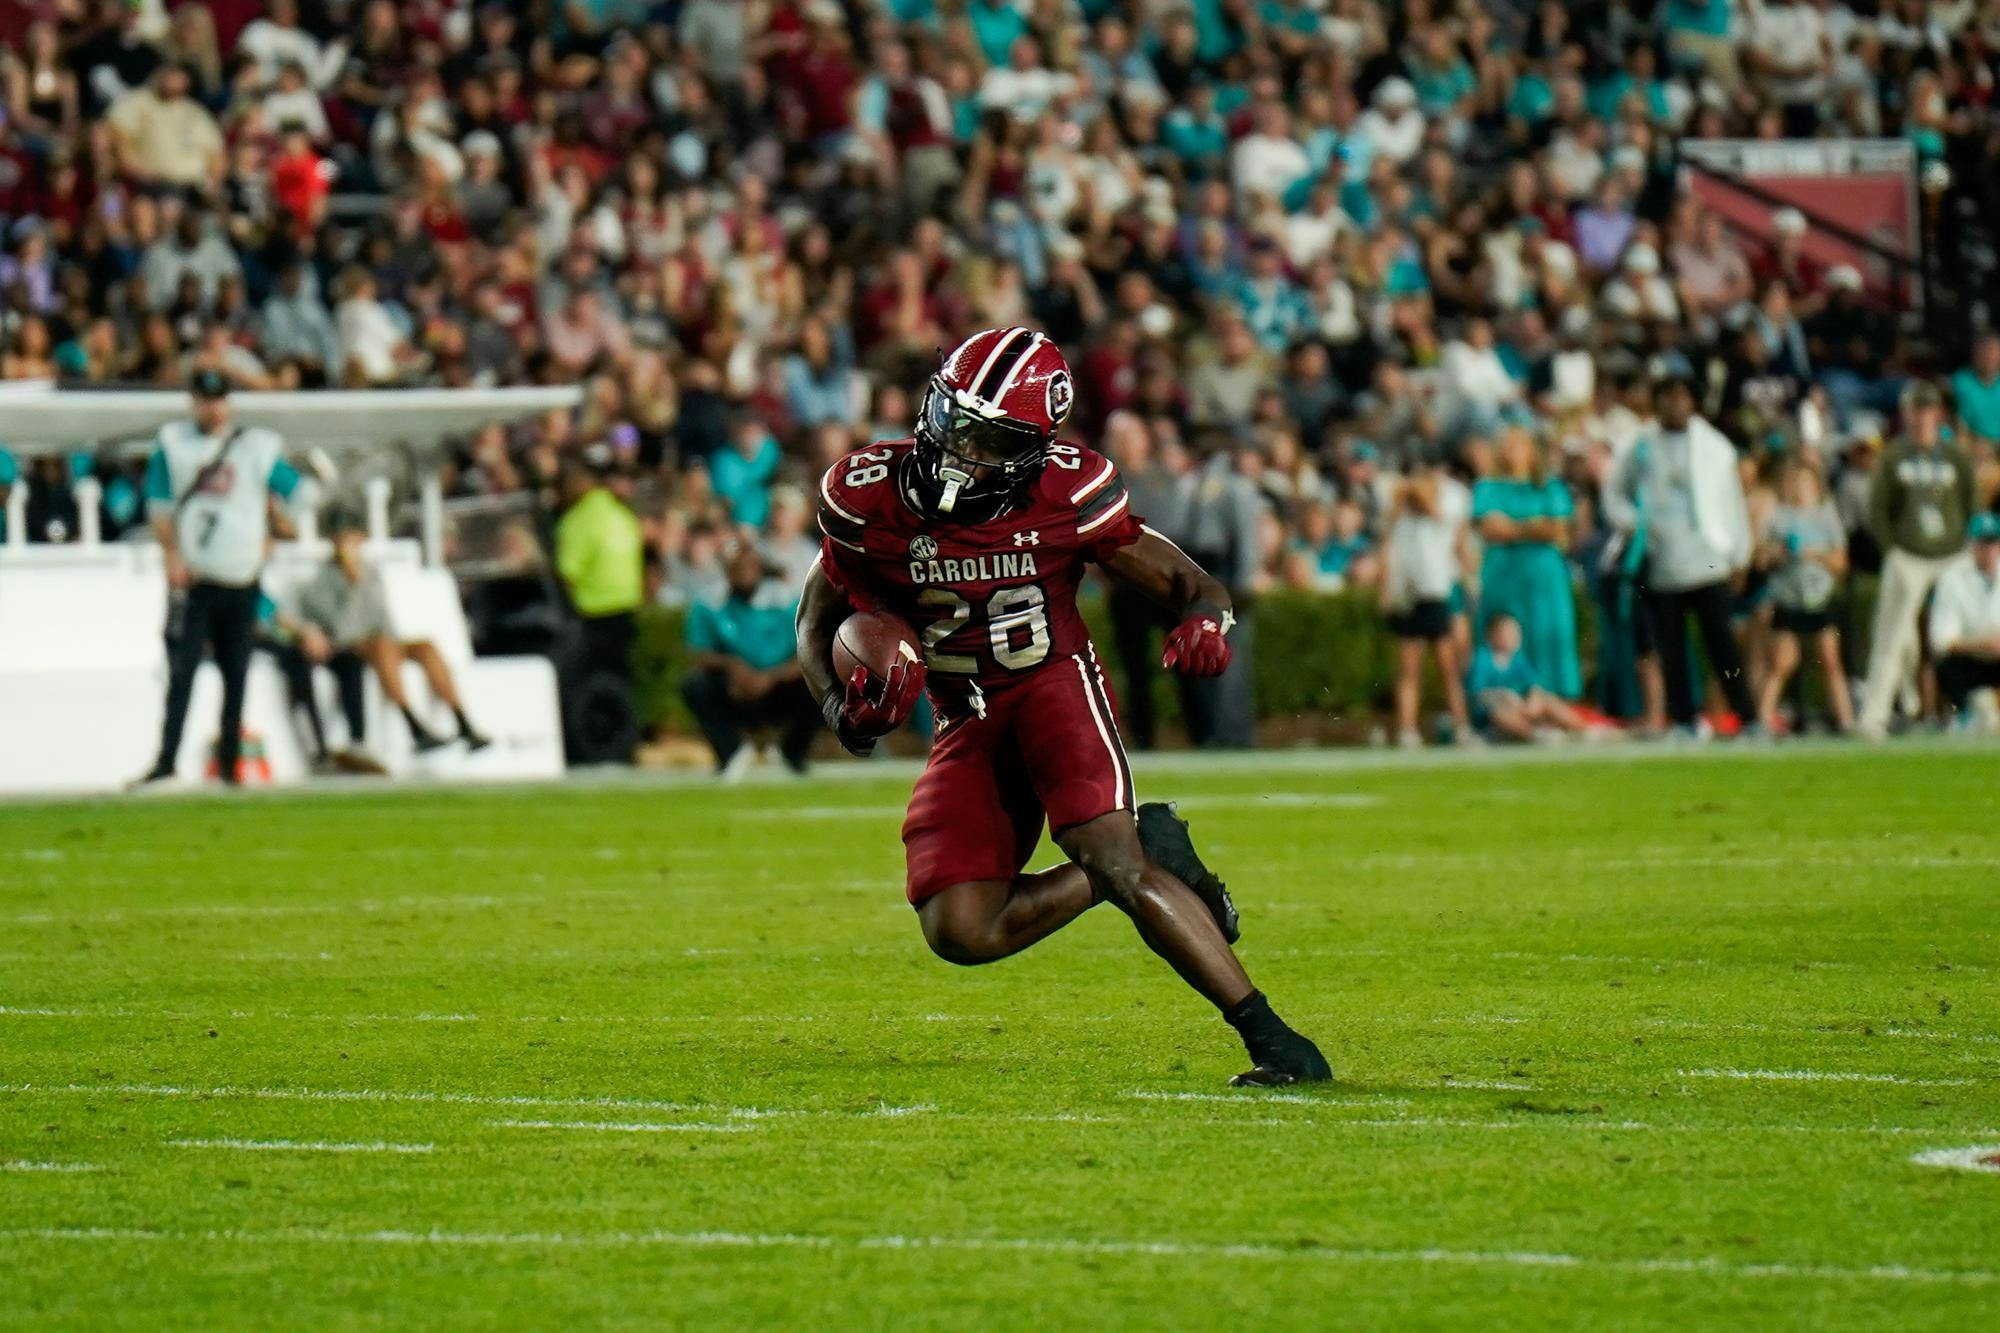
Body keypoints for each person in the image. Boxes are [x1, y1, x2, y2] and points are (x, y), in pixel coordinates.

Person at [797, 327, 1328, 1086]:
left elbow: (1191, 583)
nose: (958, 448)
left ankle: (1274, 1040)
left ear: (1029, 451)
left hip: (1051, 687)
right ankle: (1150, 845)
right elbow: (814, 621)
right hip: (967, 716)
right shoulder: (866, 495)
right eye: (954, 420)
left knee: (1116, 861)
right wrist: (835, 705)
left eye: (987, 439)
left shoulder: (1067, 492)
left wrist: (1205, 619)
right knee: (960, 928)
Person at [136, 371, 301, 787]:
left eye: (219, 399)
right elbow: (159, 508)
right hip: (197, 580)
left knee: (236, 674)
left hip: (242, 578)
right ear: (194, 402)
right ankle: (166, 760)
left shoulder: (254, 447)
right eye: (205, 399)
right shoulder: (174, 445)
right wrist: (172, 554)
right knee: (182, 673)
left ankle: (230, 766)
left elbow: (296, 489)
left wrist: (277, 528)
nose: (213, 408)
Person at [1605, 373, 1758, 736]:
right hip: (1662, 557)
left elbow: (1731, 504)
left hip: (1707, 556)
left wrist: (1740, 553)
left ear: (1693, 402)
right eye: (1667, 397)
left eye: (1682, 397)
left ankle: (1748, 717)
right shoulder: (1640, 445)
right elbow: (1615, 493)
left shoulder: (1714, 447)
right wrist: (1633, 523)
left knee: (1722, 644)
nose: (1675, 405)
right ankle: (1684, 720)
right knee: (1670, 648)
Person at [292, 511, 491, 756]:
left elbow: (383, 613)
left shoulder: (371, 572)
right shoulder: (321, 580)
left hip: (382, 636)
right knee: (383, 646)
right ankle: (413, 725)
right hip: (353, 643)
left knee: (425, 646)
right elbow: (341, 627)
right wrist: (351, 584)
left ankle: (463, 721)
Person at [1857, 382, 1977, 739]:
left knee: (1974, 626)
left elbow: (1971, 503)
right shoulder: (1894, 455)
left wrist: (1969, 548)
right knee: (1891, 636)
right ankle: (1874, 715)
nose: (1922, 416)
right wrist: (1891, 549)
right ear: (1907, 413)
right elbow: (1877, 509)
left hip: (1953, 552)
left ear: (1938, 414)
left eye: (1928, 409)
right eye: (1916, 409)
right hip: (1908, 553)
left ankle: (1982, 710)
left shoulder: (1955, 454)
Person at [683, 542, 820, 778]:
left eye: (749, 567)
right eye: (737, 568)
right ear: (727, 570)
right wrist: (732, 667)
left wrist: (771, 677)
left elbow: (811, 651)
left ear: (759, 569)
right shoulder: (709, 603)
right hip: (734, 688)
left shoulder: (788, 601)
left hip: (781, 685)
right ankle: (730, 752)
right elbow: (698, 652)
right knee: (695, 685)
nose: (744, 573)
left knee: (823, 686)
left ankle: (792, 755)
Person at [1472, 424, 1581, 701]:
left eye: (1518, 445)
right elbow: (1490, 528)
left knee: (1548, 636)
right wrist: (1532, 527)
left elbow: (1556, 529)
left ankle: (1552, 702)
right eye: (1506, 445)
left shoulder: (1550, 486)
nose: (1510, 452)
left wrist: (1512, 528)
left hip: (1544, 579)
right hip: (1504, 578)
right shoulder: (1487, 487)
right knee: (1504, 637)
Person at [1754, 461, 1853, 734]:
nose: (1799, 488)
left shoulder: (1826, 517)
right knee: (1782, 661)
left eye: (1805, 482)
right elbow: (1761, 558)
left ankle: (1846, 720)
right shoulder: (1778, 517)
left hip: (1818, 598)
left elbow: (1841, 562)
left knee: (1830, 661)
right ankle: (1761, 719)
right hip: (1788, 598)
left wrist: (1813, 554)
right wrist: (1779, 553)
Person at [1381, 473, 1471, 747]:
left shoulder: (1440, 520)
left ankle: (1461, 726)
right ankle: (1407, 729)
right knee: (1409, 669)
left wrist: (1419, 492)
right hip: (1410, 598)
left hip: (1435, 596)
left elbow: (1435, 509)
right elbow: (1390, 534)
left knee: (1448, 668)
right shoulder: (1401, 524)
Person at [1466, 613, 1587, 742]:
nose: (1514, 637)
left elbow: (1533, 683)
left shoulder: (1517, 658)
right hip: (1493, 719)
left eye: (1516, 632)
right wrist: (1505, 696)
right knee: (1499, 714)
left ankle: (1582, 729)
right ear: (1492, 636)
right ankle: (1535, 735)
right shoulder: (1482, 659)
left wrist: (1533, 699)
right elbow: (1477, 694)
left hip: (1521, 707)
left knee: (1547, 699)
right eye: (1508, 633)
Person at [1927, 513, 2000, 728]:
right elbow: (1941, 639)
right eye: (1982, 543)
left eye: (1993, 542)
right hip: (1971, 657)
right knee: (1947, 667)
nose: (1988, 550)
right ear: (1971, 545)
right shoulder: (1953, 577)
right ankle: (1965, 714)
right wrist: (1981, 644)